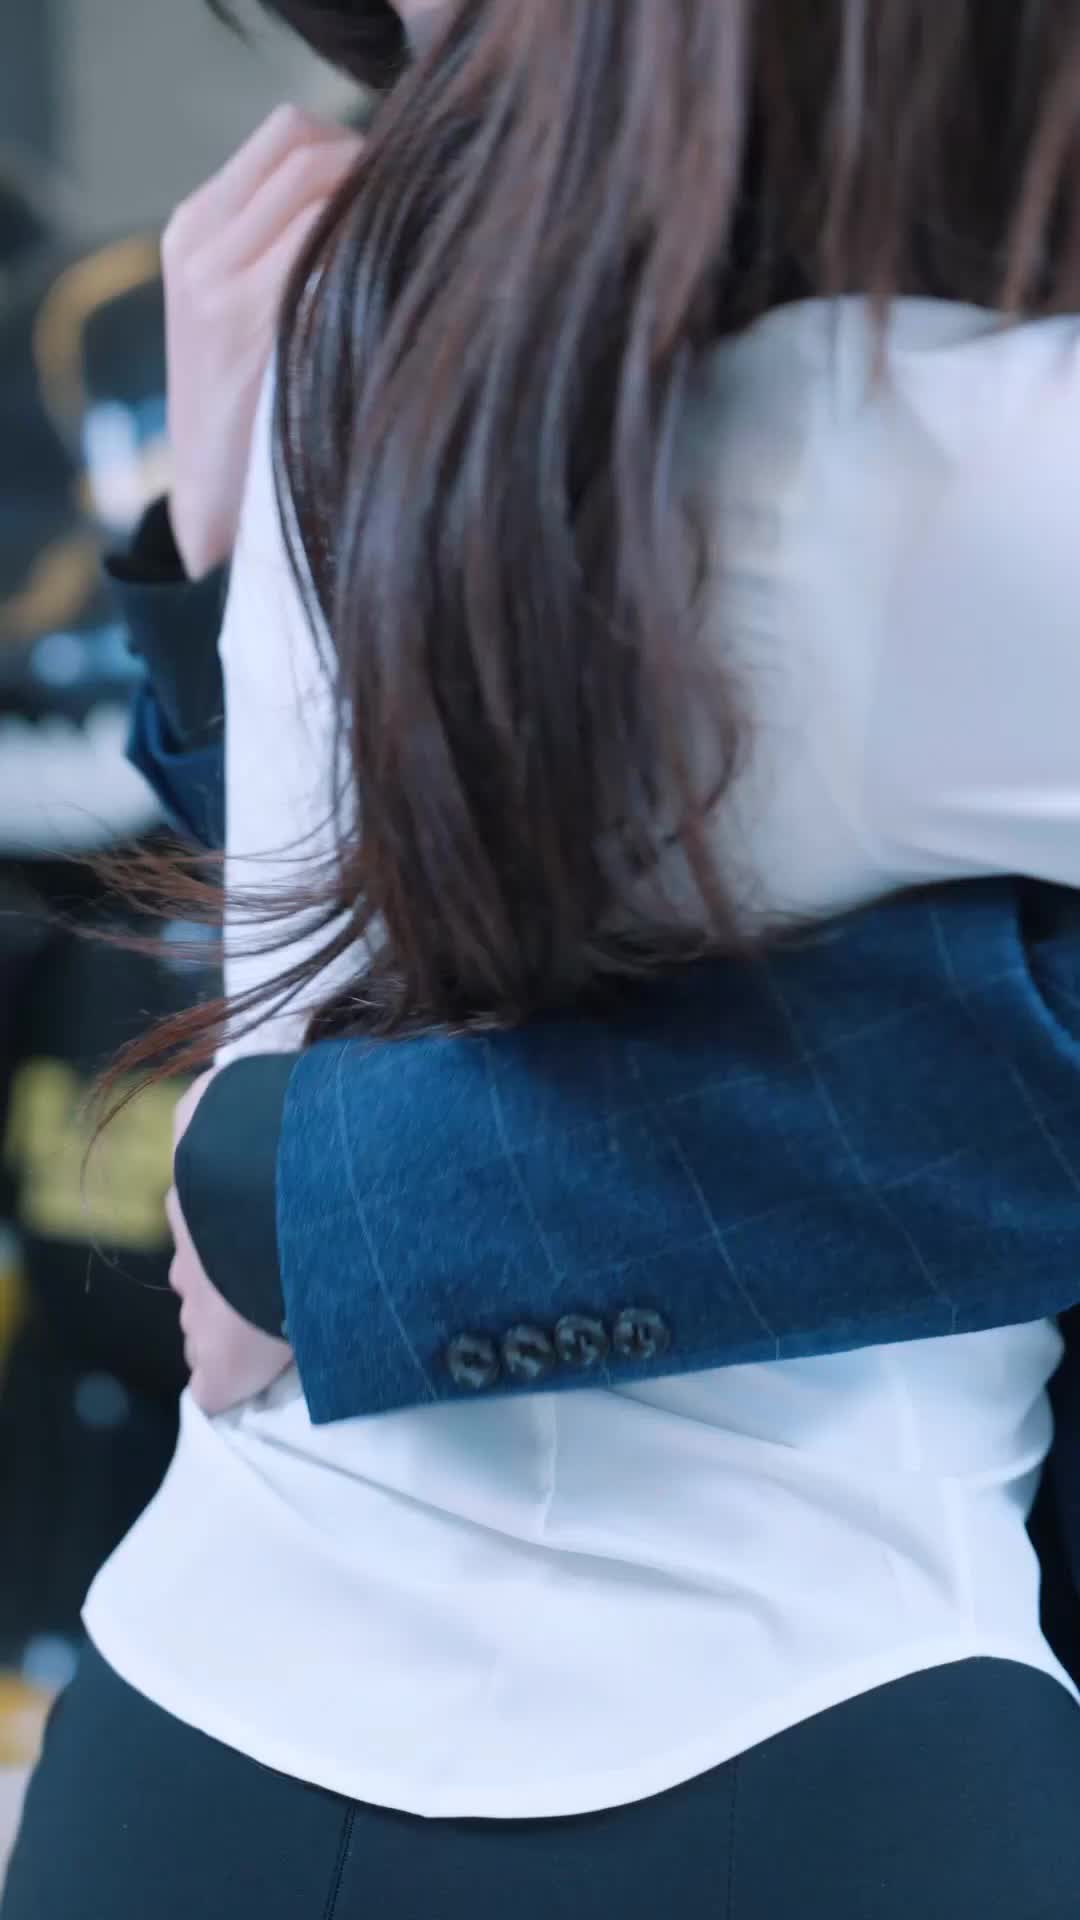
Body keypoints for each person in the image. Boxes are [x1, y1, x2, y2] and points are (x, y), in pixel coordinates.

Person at [9, 4, 1080, 1915]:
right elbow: (375, 915)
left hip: (739, 1731)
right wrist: (206, 573)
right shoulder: (372, 310)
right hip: (245, 1690)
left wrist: (338, 1206)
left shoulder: (937, 447)